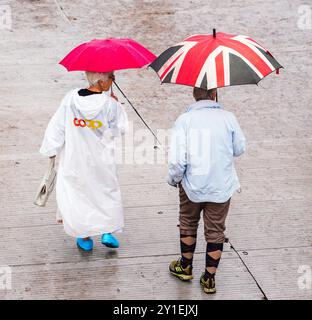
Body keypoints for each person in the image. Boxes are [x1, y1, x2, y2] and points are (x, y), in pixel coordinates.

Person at [167, 87, 246, 294]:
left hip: (192, 185)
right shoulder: (229, 118)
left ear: (194, 95)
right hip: (221, 185)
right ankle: (209, 279)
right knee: (216, 230)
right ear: (214, 94)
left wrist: (174, 179)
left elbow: (177, 160)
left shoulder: (184, 120)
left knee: (188, 221)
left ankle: (185, 266)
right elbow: (239, 149)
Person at [40, 71, 128, 251]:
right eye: (111, 78)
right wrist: (117, 105)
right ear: (102, 82)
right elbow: (120, 129)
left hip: (75, 158)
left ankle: (84, 235)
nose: (113, 81)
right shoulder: (110, 105)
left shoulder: (71, 99)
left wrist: (51, 149)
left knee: (78, 195)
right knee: (105, 192)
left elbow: (57, 125)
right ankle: (107, 231)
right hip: (102, 160)